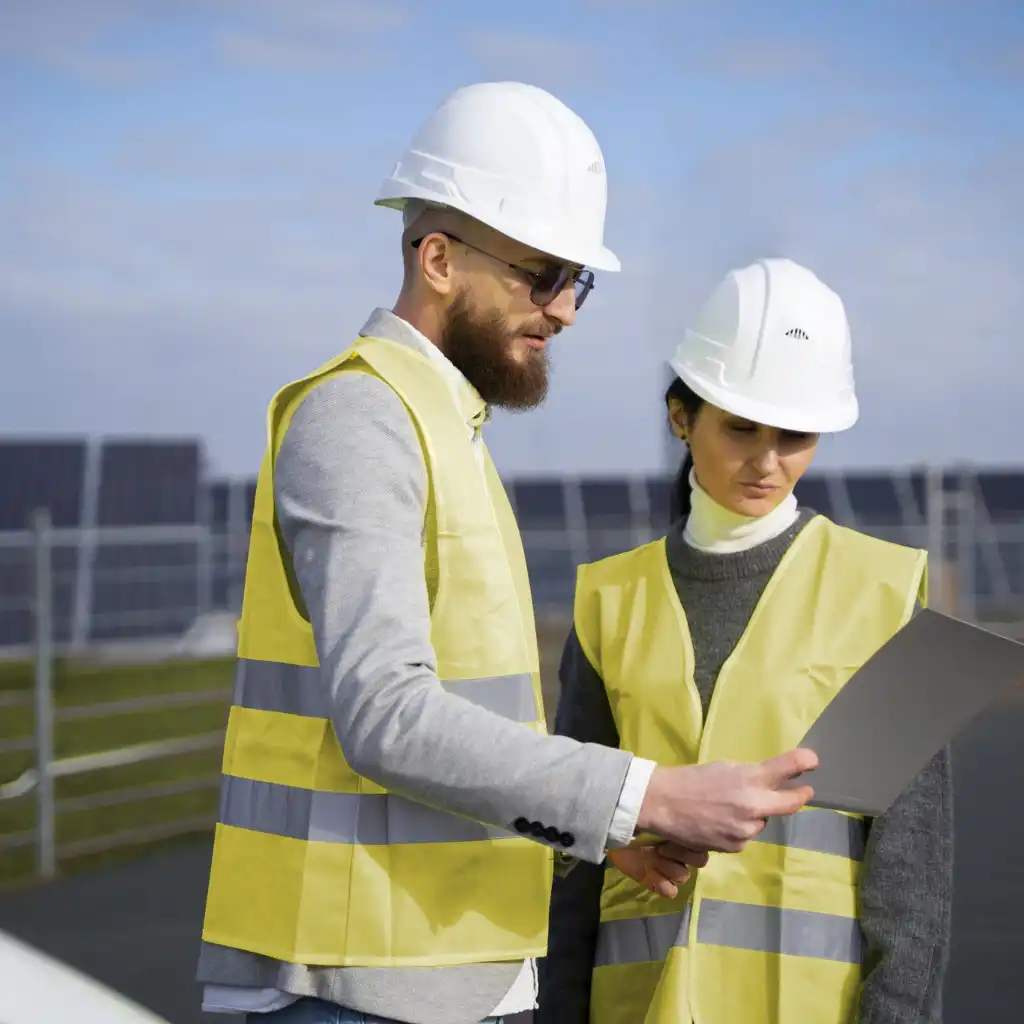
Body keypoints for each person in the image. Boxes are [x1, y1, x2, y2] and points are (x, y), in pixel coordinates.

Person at [195, 83, 820, 1024]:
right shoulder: (360, 420)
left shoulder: (448, 429)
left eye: (579, 281)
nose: (566, 310)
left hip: (442, 971)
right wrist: (651, 793)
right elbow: (389, 716)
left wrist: (602, 835)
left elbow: (465, 718)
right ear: (437, 258)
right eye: (542, 275)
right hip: (349, 985)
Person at [536, 256, 955, 1024]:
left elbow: (912, 879)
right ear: (679, 417)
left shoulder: (885, 592)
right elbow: (574, 860)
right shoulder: (609, 600)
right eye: (740, 428)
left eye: (795, 435)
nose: (766, 461)